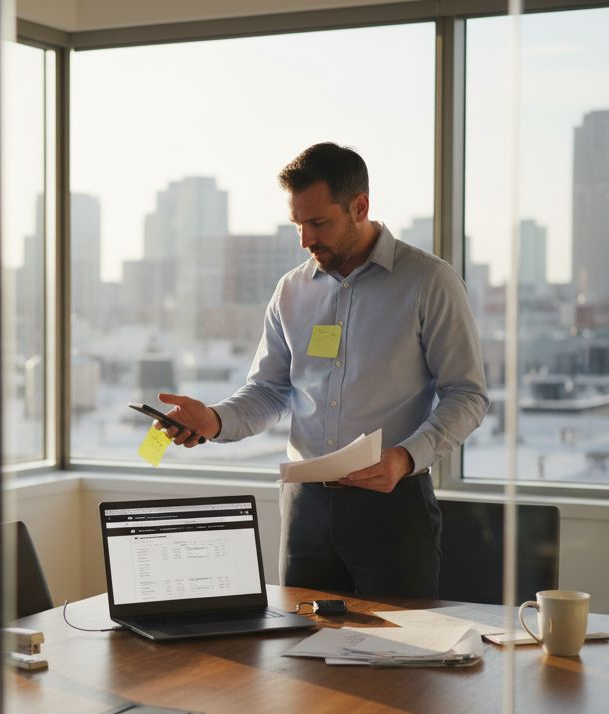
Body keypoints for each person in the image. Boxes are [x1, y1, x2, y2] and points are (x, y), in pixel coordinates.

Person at [156, 142, 488, 598]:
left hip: (392, 507)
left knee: (400, 658)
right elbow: (271, 391)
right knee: (298, 656)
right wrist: (214, 420)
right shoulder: (291, 290)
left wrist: (406, 457)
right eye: (297, 225)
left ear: (360, 206)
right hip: (305, 510)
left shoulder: (429, 281)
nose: (306, 239)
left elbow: (467, 394)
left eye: (318, 223)